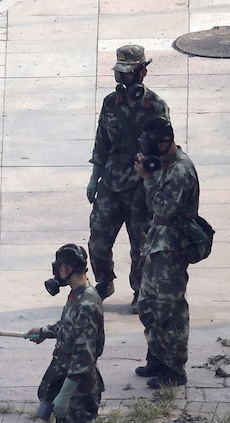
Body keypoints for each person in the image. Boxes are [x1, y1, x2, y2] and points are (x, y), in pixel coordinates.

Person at [87, 44, 170, 312]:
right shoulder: (110, 104)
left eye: (127, 73)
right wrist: (94, 177)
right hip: (111, 181)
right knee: (98, 239)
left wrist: (157, 183)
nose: (121, 79)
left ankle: (141, 290)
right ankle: (104, 283)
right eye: (119, 74)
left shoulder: (155, 105)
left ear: (142, 73)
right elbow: (101, 142)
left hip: (140, 184)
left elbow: (164, 148)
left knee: (141, 244)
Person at [133, 116, 199, 389]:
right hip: (157, 243)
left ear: (165, 141)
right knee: (149, 305)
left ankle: (175, 369)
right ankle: (157, 357)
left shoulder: (180, 171)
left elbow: (163, 208)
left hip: (172, 247)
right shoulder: (166, 165)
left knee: (170, 310)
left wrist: (148, 179)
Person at [25, 244, 105, 423]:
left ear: (65, 268)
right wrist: (45, 332)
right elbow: (70, 327)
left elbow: (84, 356)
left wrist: (66, 394)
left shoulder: (86, 304)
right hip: (65, 379)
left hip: (80, 389)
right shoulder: (76, 296)